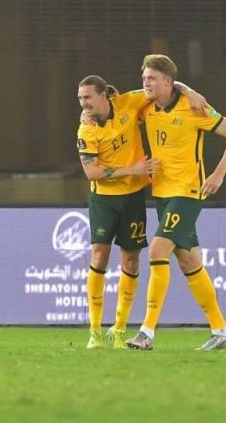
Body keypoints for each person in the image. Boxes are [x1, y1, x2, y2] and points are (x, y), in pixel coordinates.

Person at [126, 54, 226, 351]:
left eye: (152, 78)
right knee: (189, 261)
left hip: (188, 192)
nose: (146, 83)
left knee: (157, 249)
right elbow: (115, 109)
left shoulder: (194, 107)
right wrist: (87, 116)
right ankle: (221, 331)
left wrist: (218, 174)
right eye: (144, 78)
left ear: (167, 81)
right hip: (162, 193)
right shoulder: (146, 107)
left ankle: (146, 333)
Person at [76, 75, 206, 350]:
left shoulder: (129, 102)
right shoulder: (86, 130)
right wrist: (133, 170)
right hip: (103, 199)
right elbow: (92, 172)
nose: (83, 103)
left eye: (87, 97)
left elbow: (161, 87)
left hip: (133, 197)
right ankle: (94, 332)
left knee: (131, 260)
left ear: (103, 95)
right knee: (99, 256)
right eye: (80, 98)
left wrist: (190, 91)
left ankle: (119, 329)